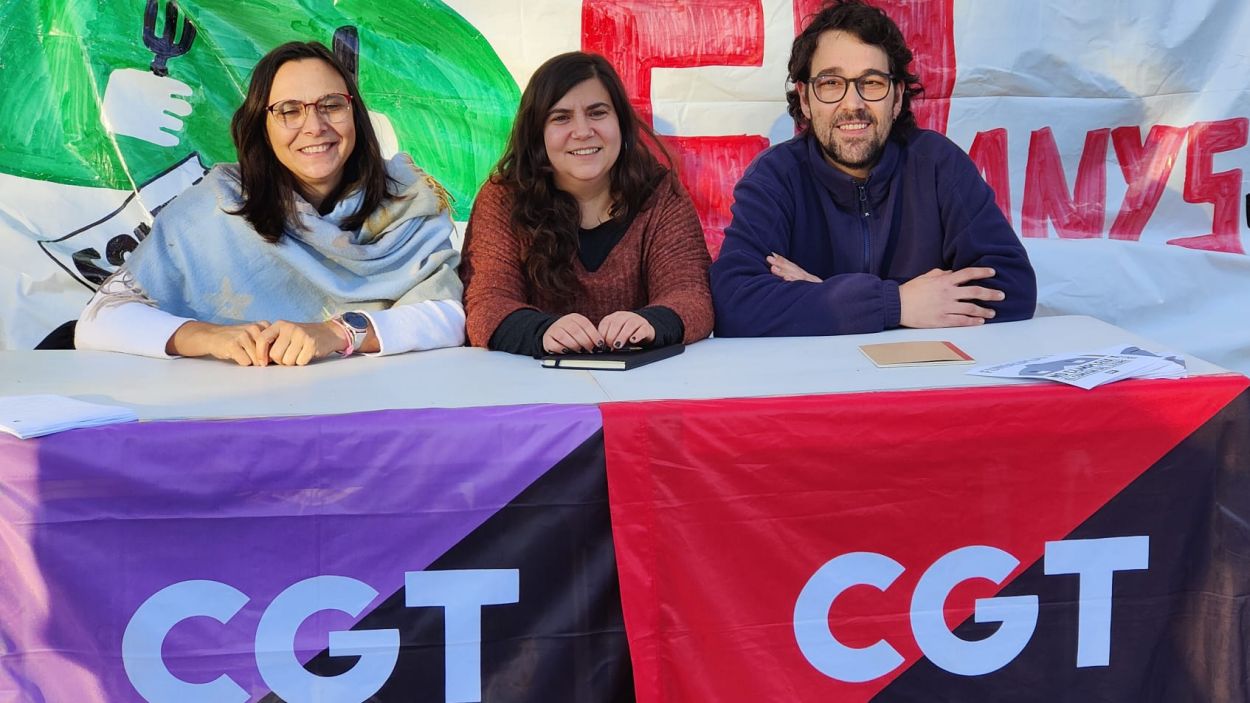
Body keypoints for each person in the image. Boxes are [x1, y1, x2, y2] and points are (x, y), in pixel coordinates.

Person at [74, 41, 464, 365]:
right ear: (262, 125)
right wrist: (211, 336)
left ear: (355, 115)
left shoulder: (405, 198)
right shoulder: (218, 204)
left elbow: (449, 315)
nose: (314, 126)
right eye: (289, 111)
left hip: (366, 416)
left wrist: (340, 332)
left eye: (331, 105)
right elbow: (98, 321)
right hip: (232, 419)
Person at [710, 0, 1036, 337]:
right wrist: (897, 303)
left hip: (923, 380)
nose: (853, 104)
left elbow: (1014, 289)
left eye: (872, 83)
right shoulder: (775, 176)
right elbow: (733, 303)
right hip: (819, 379)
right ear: (805, 99)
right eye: (832, 84)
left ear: (896, 98)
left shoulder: (937, 163)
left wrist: (824, 295)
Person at [460, 52, 712, 356]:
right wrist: (541, 331)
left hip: (640, 389)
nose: (582, 131)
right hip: (534, 390)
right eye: (561, 117)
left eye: (597, 113)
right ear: (537, 133)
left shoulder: (660, 194)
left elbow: (692, 295)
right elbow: (487, 305)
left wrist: (651, 323)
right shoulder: (502, 198)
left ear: (620, 121)